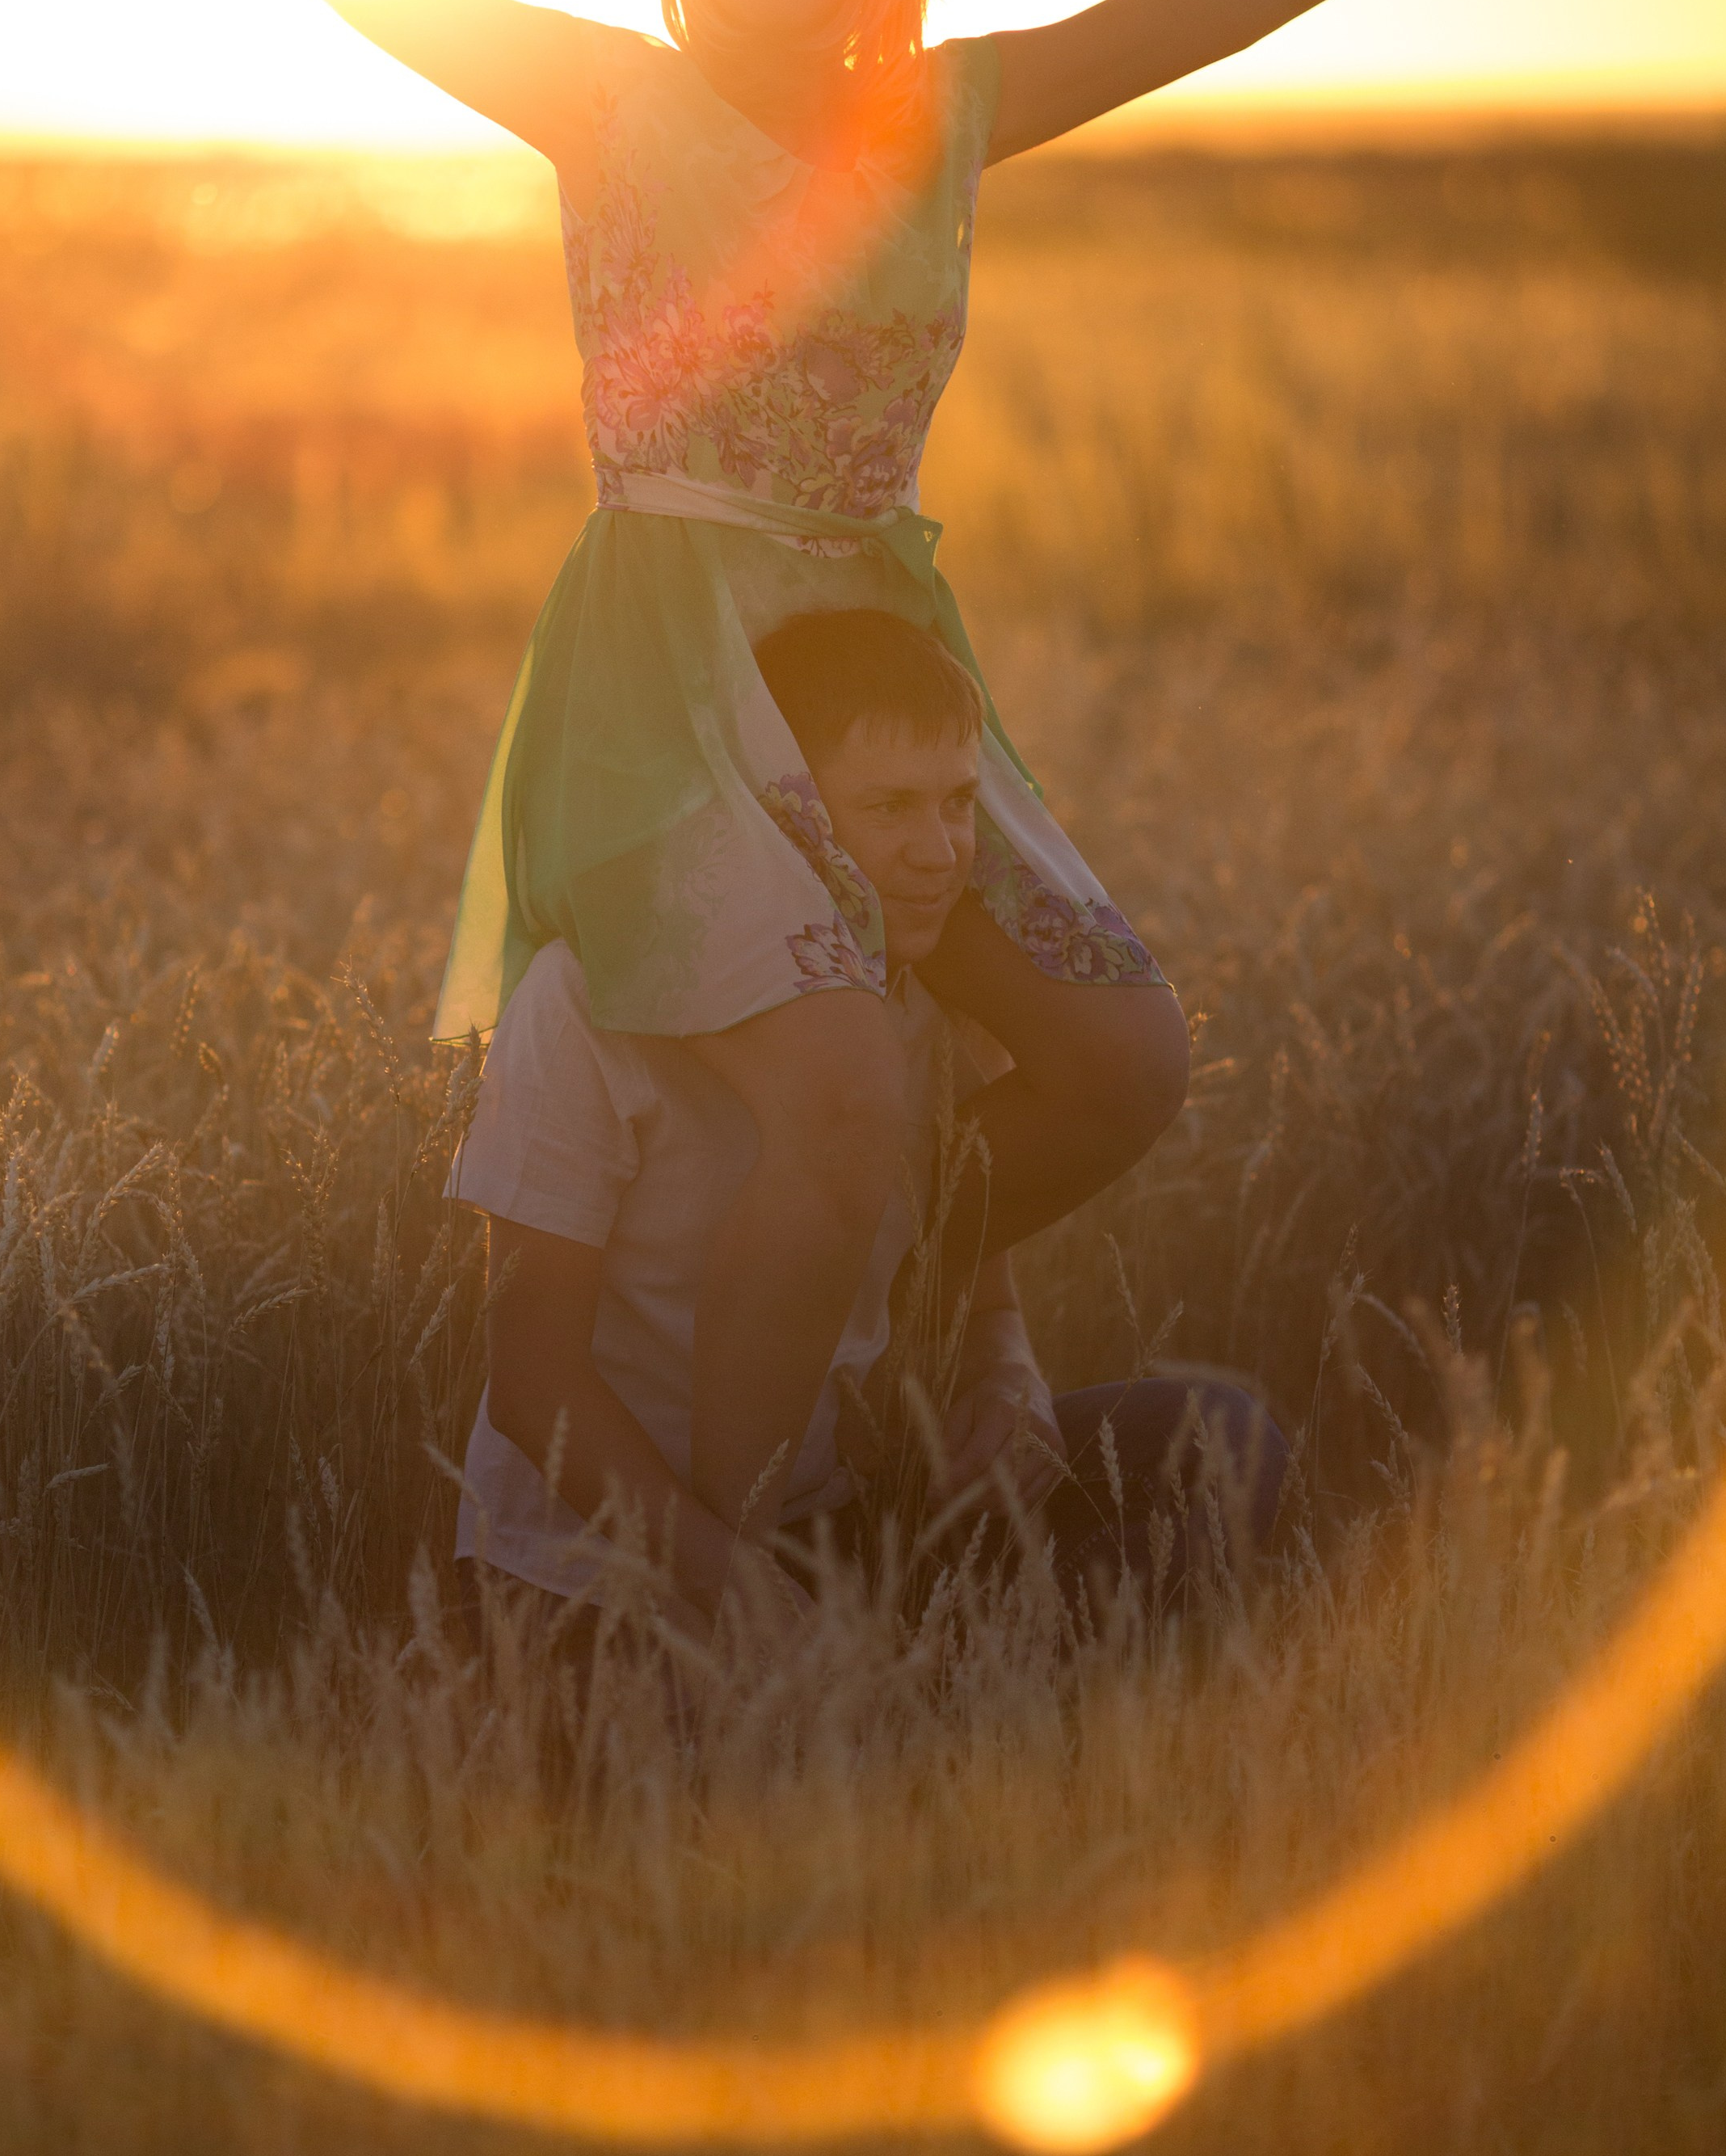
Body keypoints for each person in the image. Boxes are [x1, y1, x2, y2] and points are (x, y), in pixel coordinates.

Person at [0, 0, 1572, 1530]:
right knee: (845, 1085)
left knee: (1120, 1060)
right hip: (670, 693)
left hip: (875, 667)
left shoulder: (945, 112)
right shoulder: (604, 96)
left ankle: (881, 1327)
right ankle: (737, 1563)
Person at [452, 605, 1286, 1644]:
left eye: (957, 804)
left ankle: (946, 1705)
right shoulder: (582, 1001)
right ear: (779, 816)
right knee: (720, 1733)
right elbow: (533, 1381)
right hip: (602, 1570)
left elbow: (976, 1283)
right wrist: (733, 1591)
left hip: (839, 1522)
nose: (939, 851)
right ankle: (913, 1703)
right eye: (888, 805)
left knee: (1220, 1441)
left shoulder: (920, 996)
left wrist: (1010, 1379)